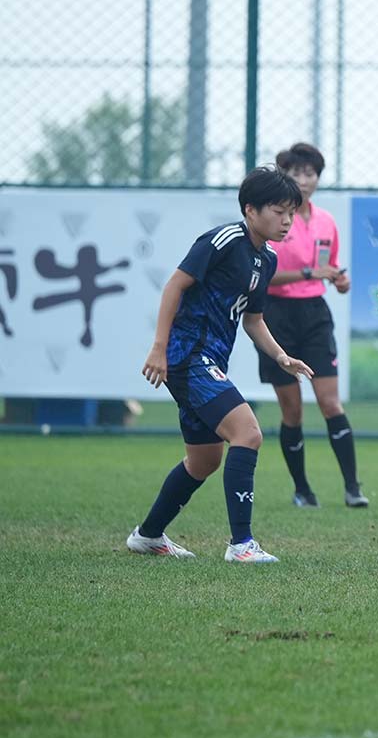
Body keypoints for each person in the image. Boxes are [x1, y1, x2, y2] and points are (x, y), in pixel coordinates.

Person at [126, 166, 314, 563]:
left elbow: (253, 320)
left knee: (204, 460)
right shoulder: (224, 239)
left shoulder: (267, 259)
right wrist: (159, 347)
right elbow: (175, 285)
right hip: (188, 356)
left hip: (208, 360)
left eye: (291, 213)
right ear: (250, 210)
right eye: (279, 211)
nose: (287, 220)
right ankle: (241, 544)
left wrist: (280, 355)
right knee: (248, 432)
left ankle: (148, 536)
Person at [257, 143, 364, 508]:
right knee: (292, 410)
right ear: (282, 176)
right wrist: (308, 273)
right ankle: (302, 490)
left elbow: (328, 269)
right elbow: (263, 275)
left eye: (310, 173)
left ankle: (353, 488)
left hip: (315, 315)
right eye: (295, 173)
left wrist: (339, 281)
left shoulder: (326, 222)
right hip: (276, 316)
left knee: (330, 403)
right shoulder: (272, 221)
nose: (303, 180)